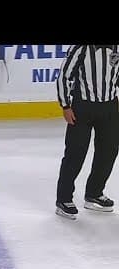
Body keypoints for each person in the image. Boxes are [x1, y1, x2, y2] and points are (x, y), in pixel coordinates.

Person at [55, 45, 119, 220]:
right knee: (75, 153)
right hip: (82, 107)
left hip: (110, 107)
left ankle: (94, 193)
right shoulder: (81, 48)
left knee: (109, 151)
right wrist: (66, 105)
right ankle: (64, 199)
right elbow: (64, 76)